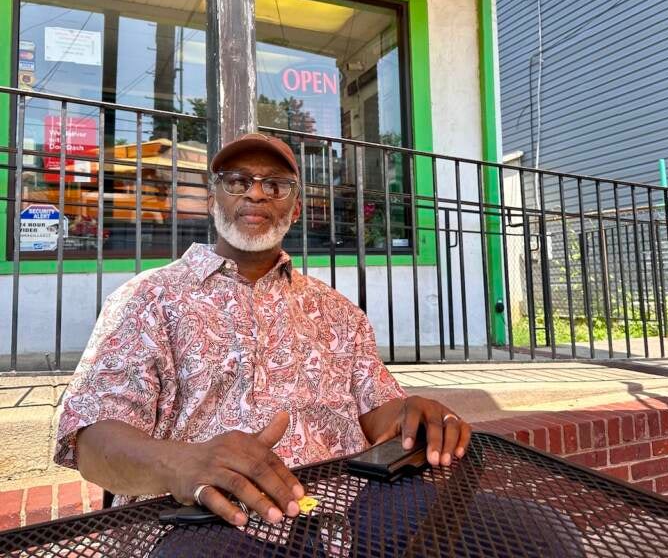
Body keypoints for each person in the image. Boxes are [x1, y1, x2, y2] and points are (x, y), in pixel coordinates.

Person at [54, 133, 471, 528]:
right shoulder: (147, 299)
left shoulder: (338, 313)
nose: (255, 193)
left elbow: (377, 414)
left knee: (510, 524)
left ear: (295, 208)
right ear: (213, 198)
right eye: (237, 181)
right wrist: (181, 462)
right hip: (206, 523)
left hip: (350, 514)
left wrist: (412, 413)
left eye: (275, 185)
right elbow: (91, 441)